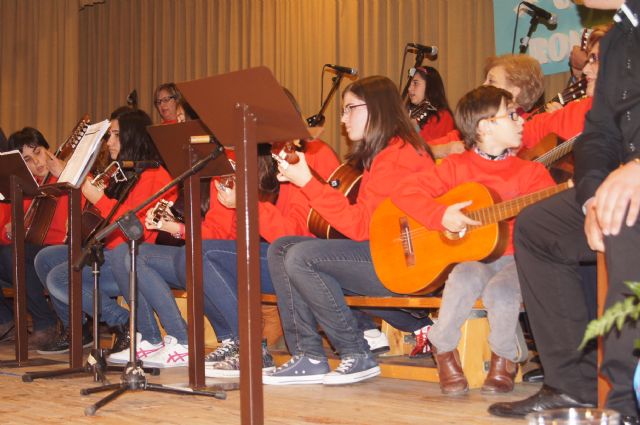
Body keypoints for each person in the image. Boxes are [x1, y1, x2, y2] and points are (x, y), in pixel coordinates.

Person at [488, 1, 640, 423]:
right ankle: (573, 385)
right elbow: (600, 132)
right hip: (623, 181)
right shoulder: (618, 37)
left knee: (624, 218)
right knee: (540, 227)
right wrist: (591, 197)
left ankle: (624, 403)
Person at [263, 75, 434, 386]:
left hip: (405, 262)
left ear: (375, 109)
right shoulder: (383, 154)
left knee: (300, 256)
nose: (342, 119)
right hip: (384, 252)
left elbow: (359, 227)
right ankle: (308, 355)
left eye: (349, 109)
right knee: (282, 248)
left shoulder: (399, 156)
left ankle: (355, 353)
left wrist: (308, 183)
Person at [392, 85, 555, 394]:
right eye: (510, 114)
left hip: (517, 258)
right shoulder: (456, 167)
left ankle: (504, 358)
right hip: (474, 257)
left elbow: (550, 224)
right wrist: (440, 216)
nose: (521, 120)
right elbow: (404, 192)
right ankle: (442, 349)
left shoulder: (531, 173)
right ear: (484, 126)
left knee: (501, 290)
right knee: (463, 275)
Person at [34, 107, 177, 354]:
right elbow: (97, 215)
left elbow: (135, 228)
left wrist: (96, 196)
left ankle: (122, 322)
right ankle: (77, 329)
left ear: (133, 136)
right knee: (44, 259)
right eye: (108, 135)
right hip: (105, 250)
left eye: (115, 135)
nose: (108, 142)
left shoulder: (155, 175)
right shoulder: (119, 172)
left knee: (59, 278)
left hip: (130, 258)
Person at [0, 128, 65, 349]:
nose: (37, 162)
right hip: (32, 251)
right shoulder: (28, 187)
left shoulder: (65, 175)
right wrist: (11, 229)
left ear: (48, 149)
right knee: (11, 252)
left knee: (13, 254)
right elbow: (12, 234)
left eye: (39, 152)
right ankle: (6, 320)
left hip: (59, 249)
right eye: (28, 159)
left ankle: (45, 322)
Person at [405, 66, 456, 146]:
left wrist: (414, 127)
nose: (409, 88)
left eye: (415, 83)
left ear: (430, 86)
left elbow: (431, 150)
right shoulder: (406, 113)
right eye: (409, 84)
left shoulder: (443, 117)